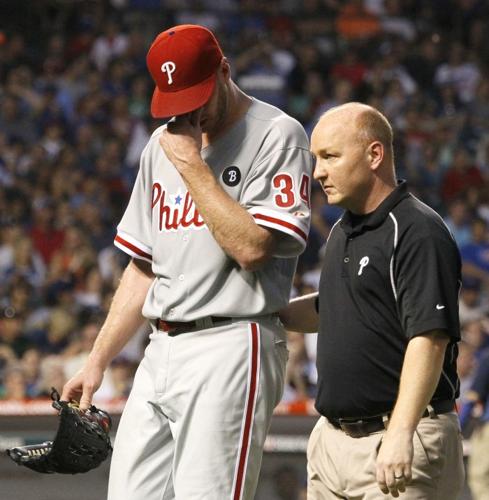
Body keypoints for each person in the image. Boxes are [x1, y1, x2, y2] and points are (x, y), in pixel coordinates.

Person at [61, 24, 312, 500]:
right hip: (161, 345)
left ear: (223, 71)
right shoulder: (162, 144)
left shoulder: (277, 135)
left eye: (196, 96)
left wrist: (194, 167)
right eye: (175, 101)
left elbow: (253, 248)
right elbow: (142, 266)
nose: (187, 113)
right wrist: (97, 361)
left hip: (234, 340)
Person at [281, 102, 464, 499]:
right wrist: (267, 313)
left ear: (375, 154)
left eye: (330, 156)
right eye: (316, 159)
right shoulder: (343, 230)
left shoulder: (417, 230)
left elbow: (430, 339)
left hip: (399, 438)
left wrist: (401, 432)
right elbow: (331, 307)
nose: (318, 172)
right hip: (332, 443)